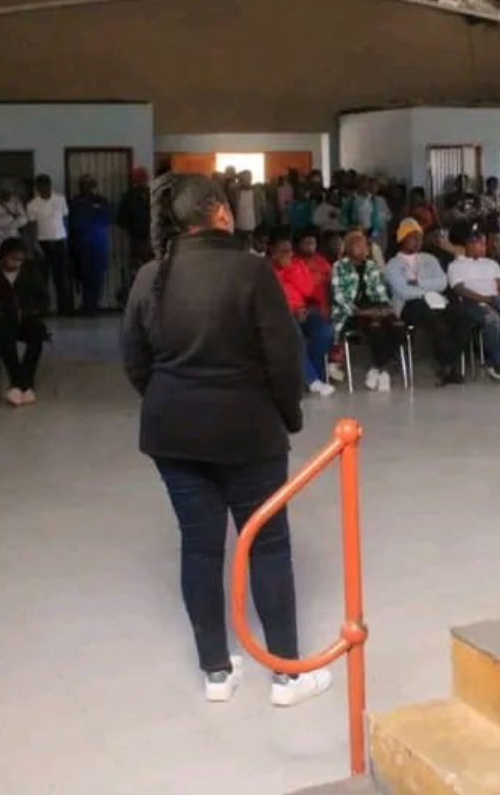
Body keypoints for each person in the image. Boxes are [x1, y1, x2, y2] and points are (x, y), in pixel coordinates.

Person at [122, 173, 330, 707]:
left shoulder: (151, 275)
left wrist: (172, 399)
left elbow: (134, 361)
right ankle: (287, 676)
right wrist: (287, 417)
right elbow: (284, 358)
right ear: (219, 212)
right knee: (268, 544)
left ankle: (216, 672)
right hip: (248, 431)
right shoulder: (251, 270)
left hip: (172, 433)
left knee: (199, 546)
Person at [384, 218, 471, 386]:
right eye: (413, 237)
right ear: (402, 239)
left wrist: (418, 283)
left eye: (420, 238)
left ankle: (447, 363)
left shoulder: (429, 259)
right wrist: (428, 289)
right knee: (437, 323)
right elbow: (404, 292)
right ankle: (448, 367)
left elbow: (443, 282)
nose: (418, 241)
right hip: (408, 305)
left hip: (436, 301)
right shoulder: (393, 265)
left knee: (463, 318)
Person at [447, 222, 500, 383]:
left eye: (484, 244)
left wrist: (498, 301)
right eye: (479, 244)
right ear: (469, 245)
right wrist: (486, 300)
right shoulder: (456, 265)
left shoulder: (492, 263)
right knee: (493, 319)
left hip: (496, 299)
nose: (483, 247)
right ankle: (498, 363)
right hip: (472, 302)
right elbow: (460, 290)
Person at [331, 229, 403, 391]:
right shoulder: (339, 266)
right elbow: (339, 297)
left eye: (365, 245)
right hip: (350, 312)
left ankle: (378, 368)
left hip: (372, 306)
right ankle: (383, 370)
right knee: (376, 329)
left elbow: (380, 292)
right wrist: (363, 312)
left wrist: (384, 308)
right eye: (359, 246)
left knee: (398, 326)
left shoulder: (371, 265)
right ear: (349, 248)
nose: (364, 249)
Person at [0, 238, 50, 406]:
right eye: (13, 259)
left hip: (28, 317)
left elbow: (43, 297)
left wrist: (36, 311)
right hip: (3, 319)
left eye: (20, 259)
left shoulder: (30, 271)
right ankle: (24, 385)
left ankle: (20, 385)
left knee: (36, 337)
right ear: (4, 256)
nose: (17, 263)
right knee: (6, 342)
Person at [269, 231, 335, 397]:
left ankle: (308, 372)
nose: (287, 255)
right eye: (282, 251)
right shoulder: (266, 268)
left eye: (289, 251)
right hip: (280, 314)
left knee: (325, 332)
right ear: (273, 252)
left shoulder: (298, 265)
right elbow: (271, 295)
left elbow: (307, 290)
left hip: (303, 311)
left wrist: (290, 268)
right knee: (294, 337)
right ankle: (313, 380)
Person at [27, 174, 72, 315]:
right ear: (37, 188)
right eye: (40, 187)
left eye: (45, 186)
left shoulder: (60, 200)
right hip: (43, 244)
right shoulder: (32, 204)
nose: (43, 189)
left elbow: (65, 220)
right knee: (42, 279)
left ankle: (64, 310)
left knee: (61, 278)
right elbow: (32, 226)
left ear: (49, 185)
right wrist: (34, 245)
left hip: (59, 242)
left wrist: (66, 238)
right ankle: (43, 309)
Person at [69, 175, 112, 316]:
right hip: (81, 244)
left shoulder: (101, 200)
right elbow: (74, 222)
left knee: (98, 275)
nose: (87, 187)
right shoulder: (75, 201)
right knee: (84, 275)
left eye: (90, 184)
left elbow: (107, 219)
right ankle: (86, 306)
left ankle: (93, 306)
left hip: (99, 244)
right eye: (84, 184)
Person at [117, 167, 153, 280]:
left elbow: (121, 219)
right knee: (143, 268)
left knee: (143, 269)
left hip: (145, 238)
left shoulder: (150, 193)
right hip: (142, 238)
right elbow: (121, 219)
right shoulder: (130, 196)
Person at [295, 228, 333, 320]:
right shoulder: (293, 262)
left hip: (322, 309)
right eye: (306, 243)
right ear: (299, 244)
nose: (310, 246)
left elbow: (330, 286)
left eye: (312, 243)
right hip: (299, 310)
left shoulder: (323, 263)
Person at [0, 184, 29, 255]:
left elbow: (24, 219)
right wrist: (11, 218)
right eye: (5, 193)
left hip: (14, 236)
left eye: (9, 193)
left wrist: (12, 224)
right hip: (0, 237)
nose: (7, 195)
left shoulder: (16, 200)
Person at [231, 170, 260, 242]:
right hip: (239, 226)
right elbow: (231, 186)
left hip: (253, 226)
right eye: (244, 178)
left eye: (248, 178)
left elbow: (261, 208)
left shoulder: (257, 192)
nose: (246, 180)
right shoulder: (236, 192)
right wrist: (238, 177)